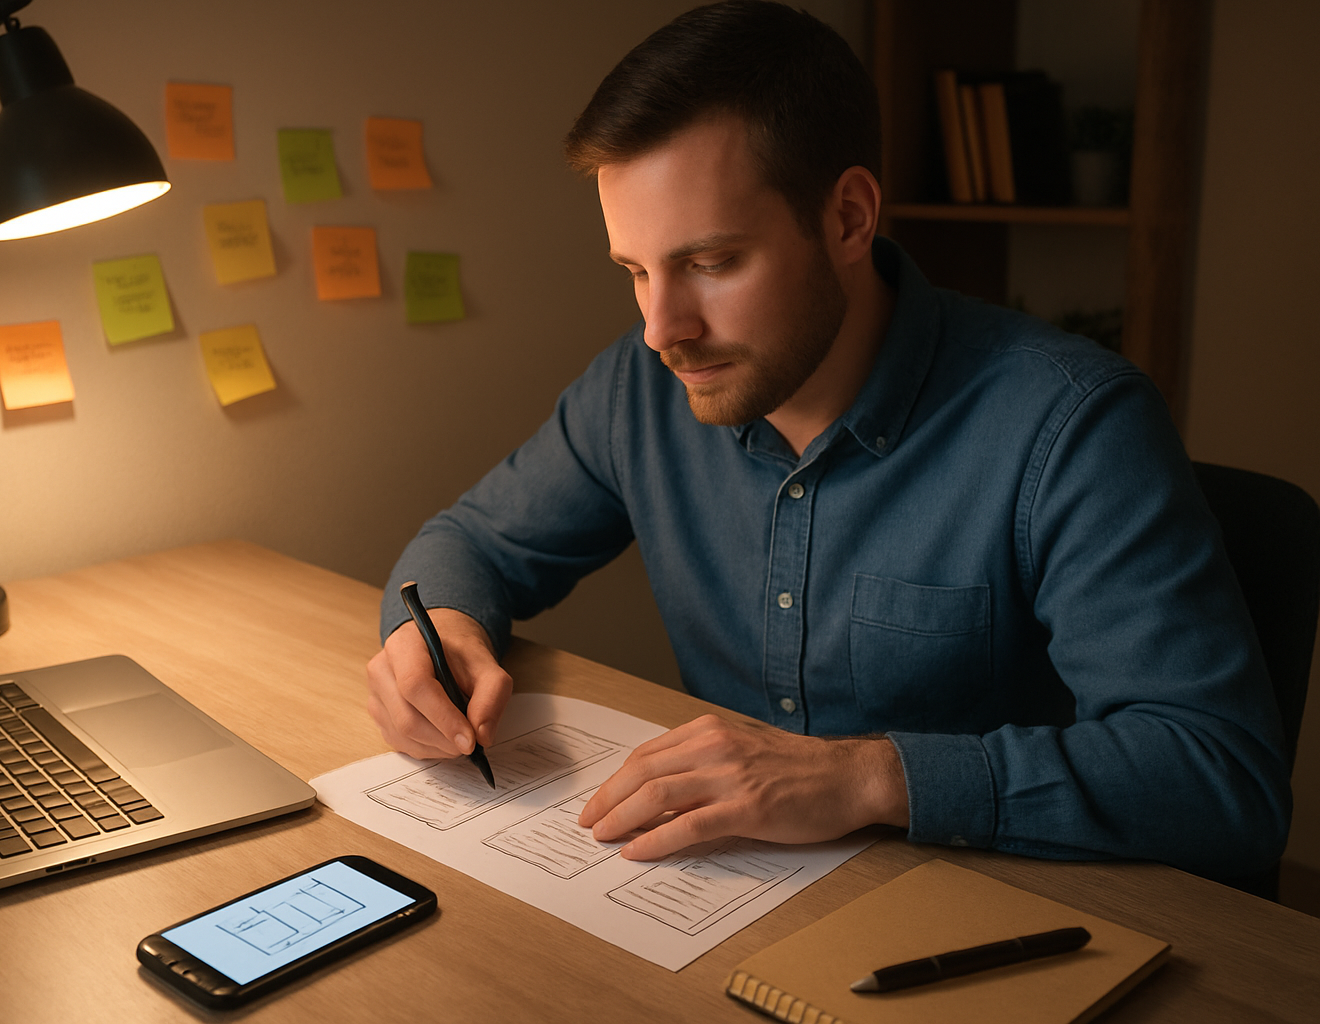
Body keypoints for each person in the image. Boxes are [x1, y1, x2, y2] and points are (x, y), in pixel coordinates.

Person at [365, 0, 1291, 881]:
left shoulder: (1074, 425)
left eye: (710, 262)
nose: (661, 328)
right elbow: (471, 543)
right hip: (720, 894)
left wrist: (866, 777)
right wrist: (436, 632)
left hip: (988, 915)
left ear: (849, 216)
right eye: (635, 271)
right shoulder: (637, 390)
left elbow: (1222, 775)